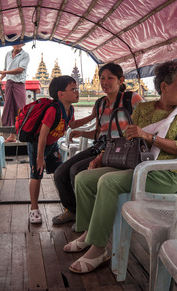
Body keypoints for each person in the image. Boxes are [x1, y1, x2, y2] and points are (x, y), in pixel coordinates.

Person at [64, 60, 177, 274]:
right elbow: (127, 140)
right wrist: (101, 156)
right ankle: (90, 233)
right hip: (137, 167)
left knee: (107, 181)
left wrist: (148, 136)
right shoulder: (144, 108)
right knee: (83, 178)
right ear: (164, 86)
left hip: (165, 175)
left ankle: (99, 249)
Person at [52, 63, 143, 225]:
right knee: (60, 172)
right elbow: (100, 132)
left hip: (122, 151)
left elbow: (145, 126)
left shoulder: (131, 99)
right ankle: (74, 210)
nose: (105, 82)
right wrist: (81, 133)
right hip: (100, 147)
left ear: (121, 80)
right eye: (102, 78)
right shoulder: (100, 103)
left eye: (110, 78)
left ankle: (87, 218)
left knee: (76, 170)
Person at [28, 75, 79, 224]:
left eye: (77, 88)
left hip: (53, 145)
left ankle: (69, 207)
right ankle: (34, 208)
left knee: (59, 172)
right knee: (36, 174)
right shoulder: (53, 110)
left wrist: (94, 116)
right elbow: (43, 135)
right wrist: (40, 157)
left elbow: (73, 125)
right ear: (61, 94)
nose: (77, 92)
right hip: (38, 145)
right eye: (73, 89)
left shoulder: (70, 109)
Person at [0, 43, 30, 142]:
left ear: (23, 44)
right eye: (15, 43)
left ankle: (24, 134)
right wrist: (1, 78)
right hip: (9, 83)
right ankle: (12, 135)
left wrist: (3, 73)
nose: (17, 45)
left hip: (19, 83)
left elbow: (20, 69)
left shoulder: (25, 55)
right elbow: (6, 68)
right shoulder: (8, 54)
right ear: (12, 44)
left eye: (19, 42)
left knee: (20, 108)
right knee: (9, 109)